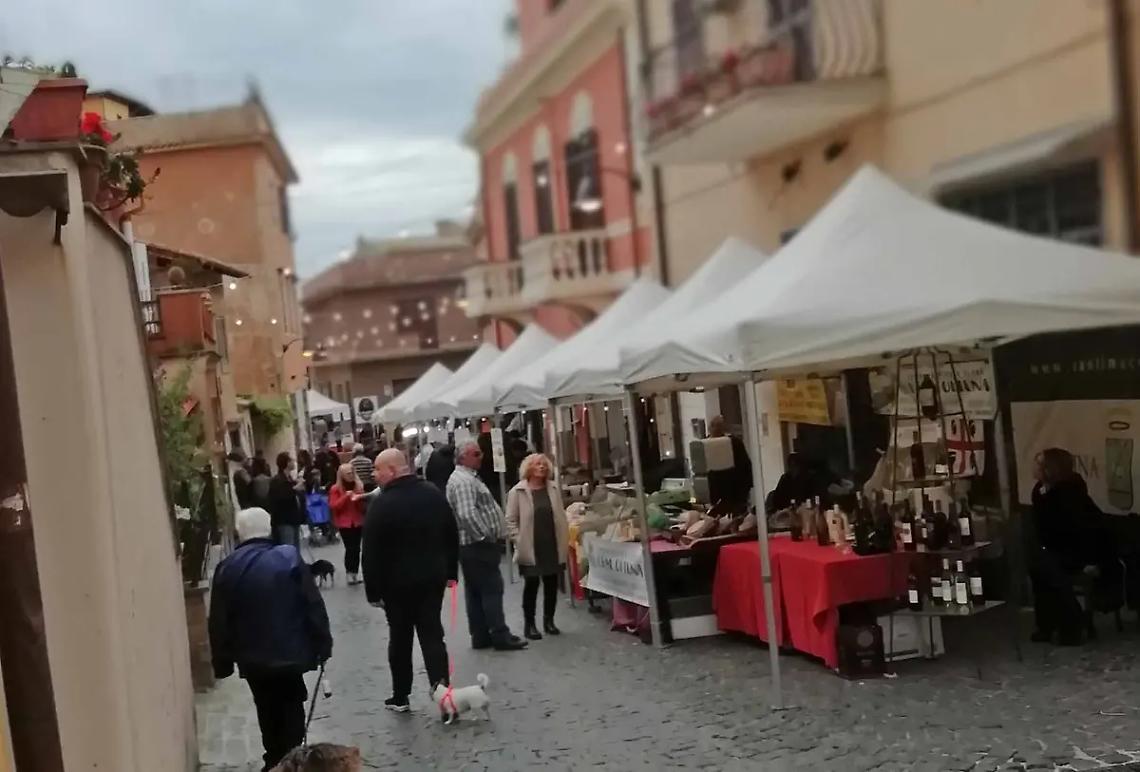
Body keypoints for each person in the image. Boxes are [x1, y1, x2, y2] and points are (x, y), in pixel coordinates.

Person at [208, 507, 332, 770]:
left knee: (266, 708)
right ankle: (292, 757)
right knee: (291, 705)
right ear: (269, 527)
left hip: (253, 658)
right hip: (291, 653)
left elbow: (219, 620)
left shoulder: (227, 568)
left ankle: (275, 758)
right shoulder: (288, 557)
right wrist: (323, 643)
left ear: (240, 533)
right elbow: (312, 604)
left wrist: (222, 662)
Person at [362, 449, 459, 712]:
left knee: (400, 639)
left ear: (392, 470)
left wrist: (373, 591)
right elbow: (451, 532)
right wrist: (451, 572)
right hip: (431, 579)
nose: (374, 474)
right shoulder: (432, 494)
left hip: (396, 586)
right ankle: (443, 695)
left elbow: (370, 551)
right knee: (432, 636)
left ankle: (401, 695)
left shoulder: (381, 504)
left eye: (378, 469)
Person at [447, 441, 527, 651]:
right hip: (477, 546)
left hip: (471, 546)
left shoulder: (465, 477)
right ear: (463, 457)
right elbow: (466, 514)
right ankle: (500, 634)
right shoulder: (464, 481)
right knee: (492, 589)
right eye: (476, 453)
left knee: (475, 591)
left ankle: (481, 635)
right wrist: (485, 536)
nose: (481, 456)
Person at [1029, 448, 1112, 646]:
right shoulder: (1040, 491)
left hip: (1079, 552)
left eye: (1039, 464)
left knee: (1051, 570)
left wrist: (1089, 561)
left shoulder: (1070, 493)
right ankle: (1047, 626)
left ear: (1050, 469)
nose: (1035, 468)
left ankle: (1071, 626)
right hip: (1055, 550)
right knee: (1040, 569)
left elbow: (1085, 531)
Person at [506, 453, 569, 640]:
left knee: (551, 583)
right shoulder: (518, 491)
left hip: (551, 542)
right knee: (531, 584)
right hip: (530, 544)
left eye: (544, 464)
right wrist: (518, 539)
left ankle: (549, 621)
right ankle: (530, 624)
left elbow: (560, 514)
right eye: (537, 464)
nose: (541, 467)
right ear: (529, 468)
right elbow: (510, 519)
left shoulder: (554, 489)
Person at [329, 463, 366, 585]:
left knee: (357, 549)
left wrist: (360, 497)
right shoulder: (335, 489)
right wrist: (346, 496)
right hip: (345, 523)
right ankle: (349, 573)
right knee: (350, 548)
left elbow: (362, 506)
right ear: (342, 475)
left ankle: (355, 573)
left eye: (351, 473)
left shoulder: (358, 485)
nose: (350, 476)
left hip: (357, 521)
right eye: (347, 474)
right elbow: (334, 506)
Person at [707, 415, 754, 513]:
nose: (715, 429)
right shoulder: (706, 444)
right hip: (717, 490)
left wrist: (745, 489)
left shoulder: (734, 443)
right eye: (714, 426)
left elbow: (745, 466)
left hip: (735, 489)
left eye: (718, 426)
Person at [268, 452, 305, 549]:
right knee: (288, 548)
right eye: (291, 460)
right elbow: (280, 498)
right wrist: (295, 489)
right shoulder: (277, 480)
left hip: (294, 519)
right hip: (284, 521)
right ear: (287, 463)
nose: (294, 462)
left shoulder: (290, 479)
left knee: (295, 549)